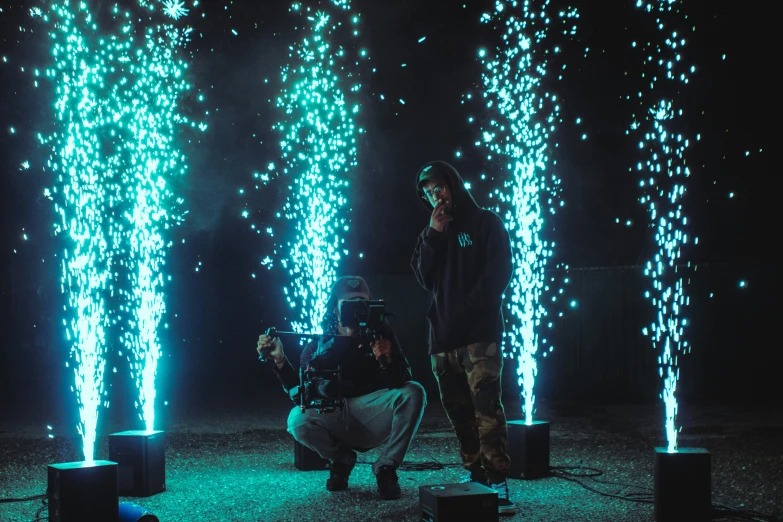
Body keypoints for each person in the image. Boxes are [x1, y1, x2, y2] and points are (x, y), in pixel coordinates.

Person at [256, 276, 426, 500]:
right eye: (349, 305)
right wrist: (280, 361)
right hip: (336, 415)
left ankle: (386, 467)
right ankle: (341, 459)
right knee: (297, 419)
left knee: (414, 391)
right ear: (335, 309)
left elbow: (401, 381)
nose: (356, 311)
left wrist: (388, 358)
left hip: (372, 413)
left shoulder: (381, 335)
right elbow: (301, 397)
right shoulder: (319, 344)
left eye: (362, 304)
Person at [410, 161, 516, 515]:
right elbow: (423, 277)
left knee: (487, 411)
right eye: (427, 192)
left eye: (438, 187)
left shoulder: (486, 222)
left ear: (453, 184)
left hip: (479, 337)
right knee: (459, 416)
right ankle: (476, 478)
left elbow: (499, 271)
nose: (434, 196)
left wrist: (468, 310)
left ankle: (498, 480)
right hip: (441, 342)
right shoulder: (432, 232)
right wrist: (434, 234)